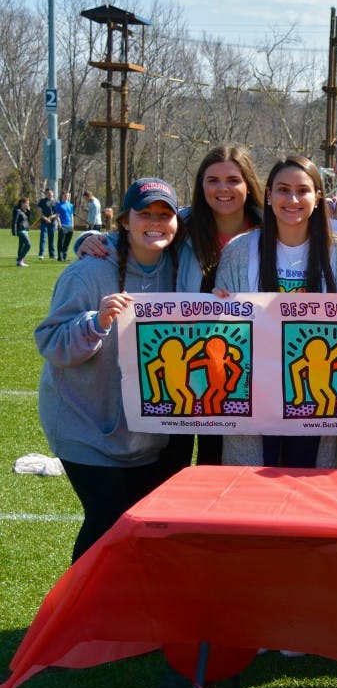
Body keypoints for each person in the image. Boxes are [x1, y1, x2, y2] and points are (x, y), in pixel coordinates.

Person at [76, 144, 266, 466]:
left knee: (219, 463)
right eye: (212, 180)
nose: (223, 189)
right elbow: (138, 231)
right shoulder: (184, 223)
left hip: (234, 363)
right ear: (200, 186)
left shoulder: (267, 230)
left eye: (233, 180)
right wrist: (88, 238)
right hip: (179, 352)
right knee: (169, 462)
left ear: (248, 184)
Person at [35, 178, 187, 562]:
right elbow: (50, 341)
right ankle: (75, 613)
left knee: (137, 527)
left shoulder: (184, 269)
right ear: (124, 220)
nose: (155, 222)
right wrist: (95, 322)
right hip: (83, 421)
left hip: (145, 432)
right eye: (144, 214)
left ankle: (120, 613)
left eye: (164, 215)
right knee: (106, 519)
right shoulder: (89, 271)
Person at [214, 155, 337, 468]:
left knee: (308, 499)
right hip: (253, 399)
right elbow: (221, 335)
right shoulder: (240, 250)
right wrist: (216, 308)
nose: (292, 199)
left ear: (318, 198)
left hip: (316, 395)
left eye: (303, 191)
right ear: (268, 195)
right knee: (254, 500)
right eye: (282, 189)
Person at [54, 190, 74, 261]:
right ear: (62, 195)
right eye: (65, 196)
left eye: (68, 196)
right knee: (61, 242)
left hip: (70, 226)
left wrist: (72, 224)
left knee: (67, 242)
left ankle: (64, 256)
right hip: (63, 225)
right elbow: (57, 215)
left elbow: (71, 215)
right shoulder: (59, 205)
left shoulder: (71, 205)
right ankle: (60, 257)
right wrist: (59, 225)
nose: (67, 197)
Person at [36, 187, 57, 259]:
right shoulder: (42, 201)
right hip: (44, 222)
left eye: (50, 193)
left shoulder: (56, 202)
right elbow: (39, 211)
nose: (48, 194)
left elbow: (57, 213)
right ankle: (41, 254)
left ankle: (52, 254)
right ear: (45, 194)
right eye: (47, 193)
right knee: (43, 238)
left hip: (52, 222)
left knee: (51, 239)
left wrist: (50, 218)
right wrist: (45, 218)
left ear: (53, 193)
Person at [12, 197, 31, 267]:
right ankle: (19, 259)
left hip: (25, 230)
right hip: (20, 230)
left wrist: (29, 211)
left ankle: (20, 262)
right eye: (27, 203)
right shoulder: (17, 211)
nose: (28, 205)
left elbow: (28, 220)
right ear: (22, 203)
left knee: (22, 247)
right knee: (28, 245)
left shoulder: (24, 211)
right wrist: (14, 231)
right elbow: (15, 221)